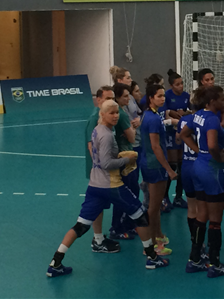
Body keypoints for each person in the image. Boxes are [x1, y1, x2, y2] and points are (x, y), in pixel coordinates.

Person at [46, 100, 169, 278]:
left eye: (117, 113)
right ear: (102, 115)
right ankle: (152, 258)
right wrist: (127, 160)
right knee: (140, 216)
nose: (115, 116)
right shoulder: (107, 135)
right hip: (111, 185)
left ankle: (55, 262)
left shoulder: (97, 131)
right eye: (111, 113)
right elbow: (107, 163)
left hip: (94, 186)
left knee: (81, 226)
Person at [180, 85, 224, 278]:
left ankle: (194, 259)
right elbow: (212, 145)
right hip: (212, 170)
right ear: (212, 102)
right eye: (222, 99)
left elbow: (183, 134)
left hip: (198, 168)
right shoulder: (211, 119)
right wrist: (219, 159)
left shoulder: (198, 115)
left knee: (201, 215)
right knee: (216, 219)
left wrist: (197, 151)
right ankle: (215, 263)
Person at [139, 83, 177, 257]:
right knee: (153, 207)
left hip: (149, 163)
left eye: (163, 95)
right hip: (155, 166)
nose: (163, 98)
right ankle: (152, 245)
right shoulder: (153, 119)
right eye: (159, 96)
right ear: (151, 98)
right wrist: (169, 169)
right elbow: (156, 147)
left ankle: (159, 235)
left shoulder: (149, 115)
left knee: (156, 203)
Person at [83, 86, 124, 252]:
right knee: (97, 205)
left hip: (104, 172)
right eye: (107, 98)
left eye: (112, 98)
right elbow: (90, 146)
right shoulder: (95, 119)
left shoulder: (107, 118)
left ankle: (99, 237)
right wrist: (103, 169)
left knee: (99, 204)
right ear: (98, 100)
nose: (110, 102)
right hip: (100, 173)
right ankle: (97, 239)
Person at [197, 68, 224, 203]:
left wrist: (222, 122)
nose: (210, 82)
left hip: (218, 131)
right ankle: (213, 190)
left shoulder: (217, 96)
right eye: (207, 80)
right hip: (207, 132)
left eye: (212, 79)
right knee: (213, 159)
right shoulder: (199, 99)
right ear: (201, 82)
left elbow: (223, 111)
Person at [176, 90, 207, 271]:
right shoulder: (206, 120)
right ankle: (200, 246)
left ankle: (196, 243)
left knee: (192, 207)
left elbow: (179, 141)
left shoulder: (184, 120)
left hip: (186, 166)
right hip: (200, 165)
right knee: (204, 209)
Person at [109, 83, 140, 241]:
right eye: (125, 96)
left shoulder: (120, 112)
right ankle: (116, 226)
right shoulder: (121, 114)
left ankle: (127, 223)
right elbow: (132, 137)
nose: (129, 98)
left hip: (123, 154)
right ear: (117, 98)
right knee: (127, 190)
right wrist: (134, 128)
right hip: (125, 157)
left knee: (131, 189)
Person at [165, 69, 191, 209]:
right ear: (171, 86)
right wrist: (171, 114)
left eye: (182, 83)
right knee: (172, 165)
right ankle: (165, 197)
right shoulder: (166, 96)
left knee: (182, 166)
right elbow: (163, 113)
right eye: (177, 84)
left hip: (182, 133)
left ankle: (179, 197)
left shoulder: (187, 96)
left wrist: (186, 112)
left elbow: (192, 111)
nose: (181, 86)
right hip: (170, 134)